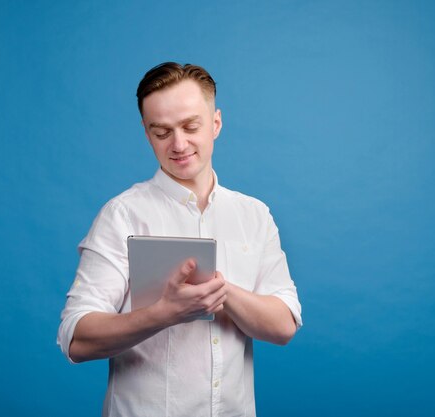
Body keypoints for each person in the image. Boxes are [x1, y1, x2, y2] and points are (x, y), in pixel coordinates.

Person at [57, 62, 302, 417]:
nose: (179, 144)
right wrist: (163, 313)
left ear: (216, 123)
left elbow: (283, 326)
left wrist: (221, 290)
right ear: (146, 133)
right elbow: (76, 339)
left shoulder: (255, 215)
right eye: (162, 132)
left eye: (191, 126)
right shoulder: (122, 215)